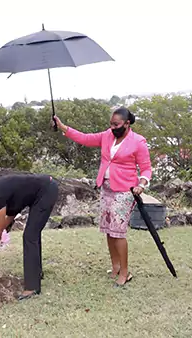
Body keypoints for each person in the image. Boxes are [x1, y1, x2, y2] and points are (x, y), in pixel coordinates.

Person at [53, 107, 152, 287]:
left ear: (127, 123)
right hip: (106, 188)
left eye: (116, 125)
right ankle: (115, 266)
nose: (113, 128)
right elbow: (85, 138)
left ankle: (125, 271)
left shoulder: (138, 142)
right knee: (108, 229)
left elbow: (146, 168)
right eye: (111, 124)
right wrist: (63, 127)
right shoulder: (107, 135)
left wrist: (142, 184)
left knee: (118, 231)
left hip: (125, 190)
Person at [0, 173, 59, 300]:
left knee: (30, 236)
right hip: (43, 191)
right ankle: (36, 273)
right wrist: (4, 229)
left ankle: (32, 287)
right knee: (32, 234)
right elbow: (11, 215)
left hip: (46, 190)